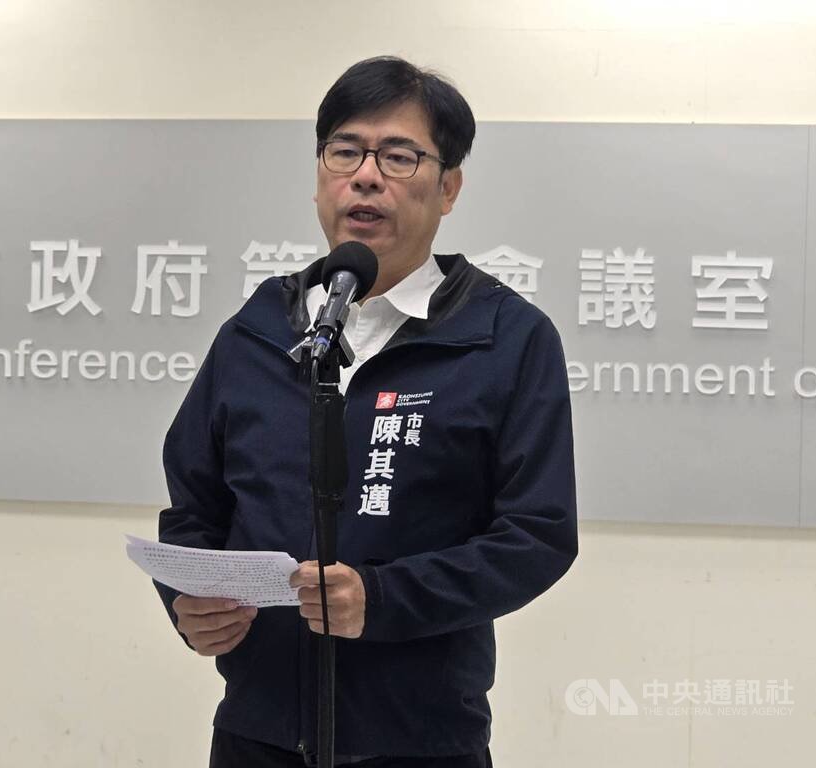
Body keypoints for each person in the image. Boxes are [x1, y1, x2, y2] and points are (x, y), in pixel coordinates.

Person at [154, 56, 578, 767]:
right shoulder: (260, 330)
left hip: (420, 740)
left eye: (399, 156)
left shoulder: (505, 338)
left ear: (449, 187)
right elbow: (194, 507)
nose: (366, 176)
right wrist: (186, 599)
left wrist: (382, 597)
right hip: (258, 735)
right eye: (345, 151)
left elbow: (536, 536)